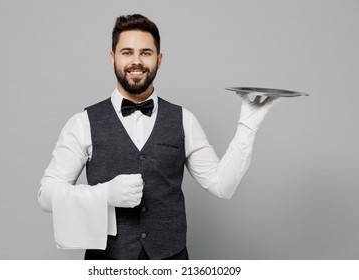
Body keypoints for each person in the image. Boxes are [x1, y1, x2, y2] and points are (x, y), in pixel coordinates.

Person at [38, 14, 280, 260]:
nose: (136, 61)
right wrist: (105, 194)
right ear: (112, 58)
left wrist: (248, 123)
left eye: (145, 53)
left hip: (172, 259)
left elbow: (222, 186)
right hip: (106, 262)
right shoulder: (82, 123)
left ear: (159, 59)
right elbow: (47, 195)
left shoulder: (184, 119)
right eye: (127, 52)